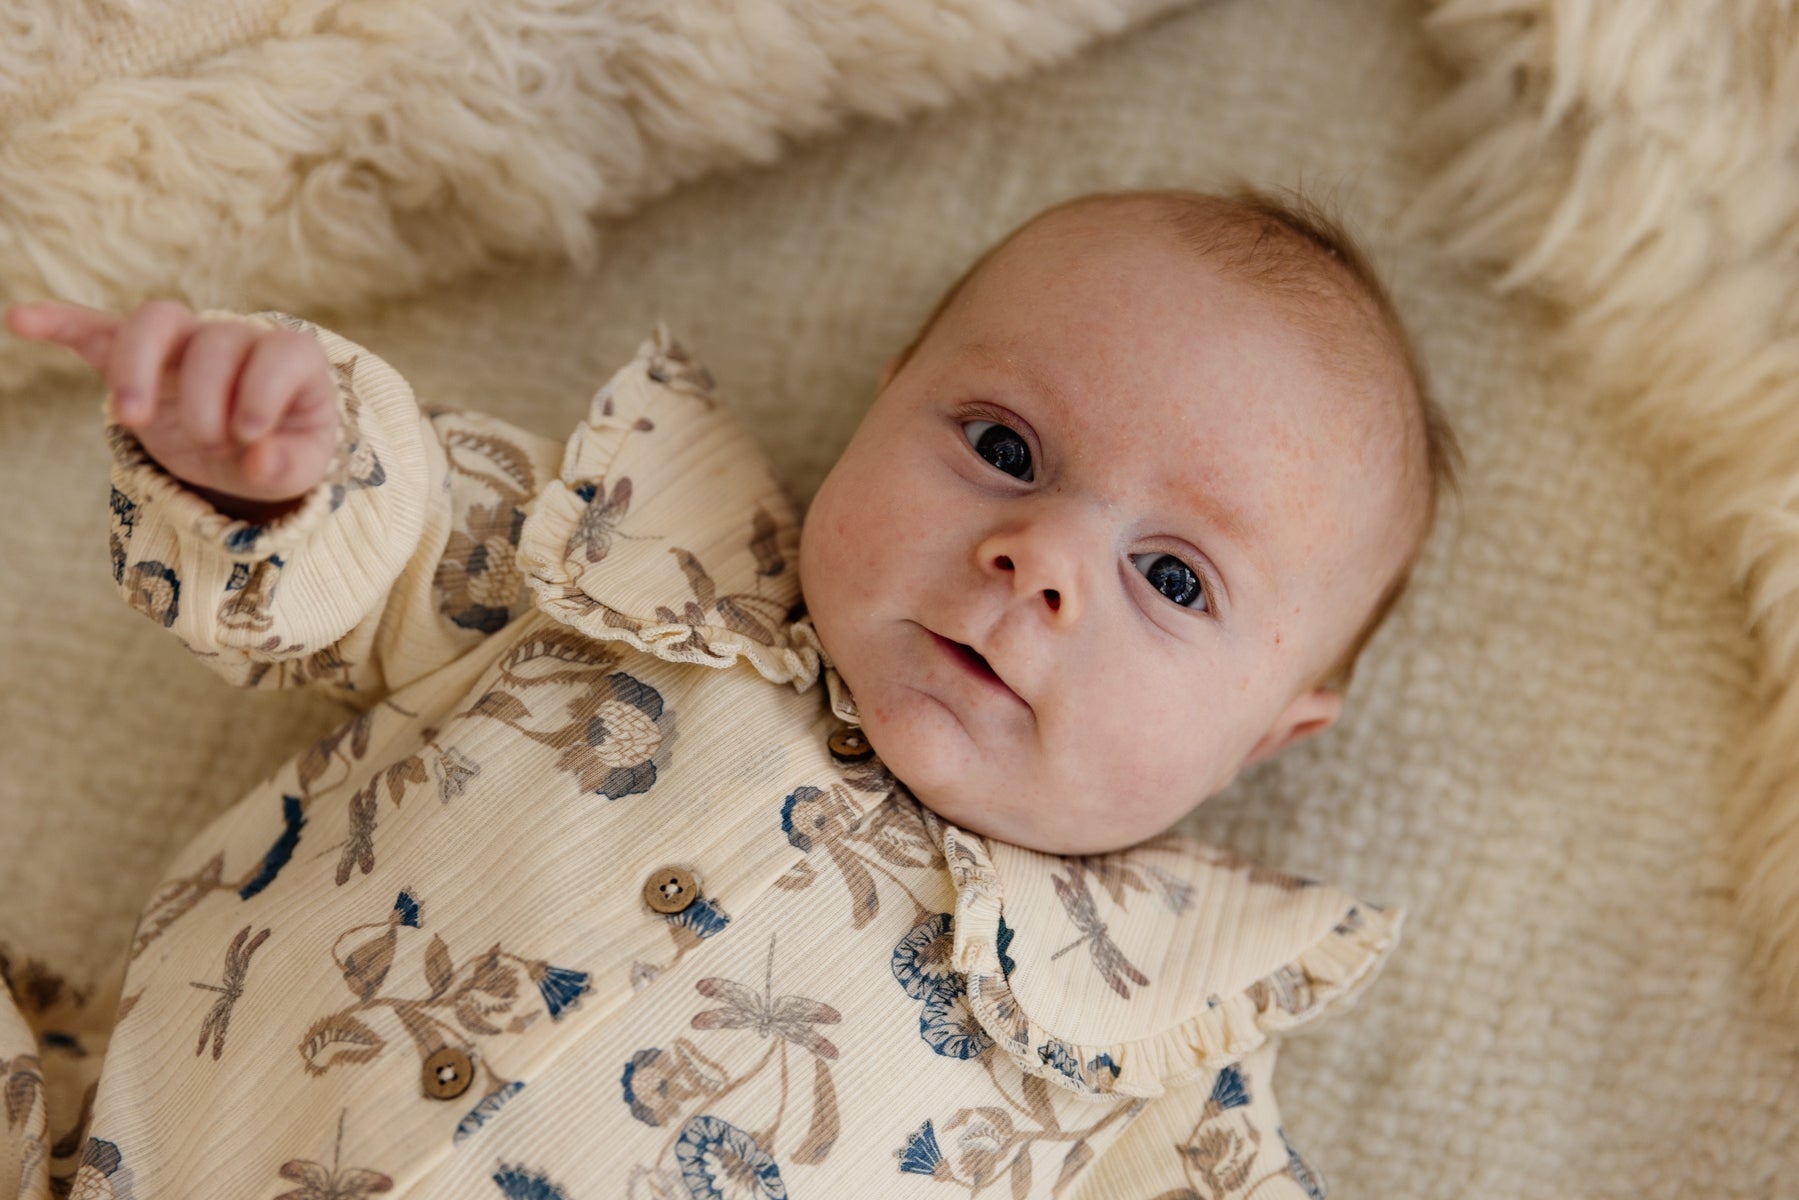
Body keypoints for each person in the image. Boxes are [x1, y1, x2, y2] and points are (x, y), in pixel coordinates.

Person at [0, 189, 1454, 1199]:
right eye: (1006, 447)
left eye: (1177, 579)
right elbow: (385, 534)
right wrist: (274, 453)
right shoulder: (619, 574)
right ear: (889, 402)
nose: (1044, 557)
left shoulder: (1139, 1043)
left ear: (1273, 737)